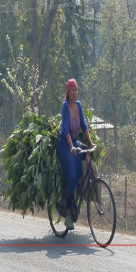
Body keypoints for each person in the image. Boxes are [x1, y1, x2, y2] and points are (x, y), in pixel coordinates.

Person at [57, 78, 94, 230]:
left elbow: (84, 126)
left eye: (77, 90)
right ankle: (67, 211)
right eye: (72, 90)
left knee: (84, 163)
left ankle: (77, 196)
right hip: (65, 145)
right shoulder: (65, 106)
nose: (75, 93)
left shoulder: (78, 105)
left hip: (75, 142)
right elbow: (65, 128)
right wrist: (71, 146)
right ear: (68, 92)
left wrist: (91, 144)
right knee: (72, 176)